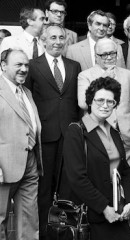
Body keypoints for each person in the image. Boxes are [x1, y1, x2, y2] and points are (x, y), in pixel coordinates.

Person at [24, 23, 81, 239]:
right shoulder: (32, 65)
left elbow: (75, 101)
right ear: (43, 41)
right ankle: (46, 233)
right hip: (44, 136)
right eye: (53, 38)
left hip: (69, 134)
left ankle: (66, 233)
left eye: (61, 37)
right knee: (44, 189)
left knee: (68, 186)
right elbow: (27, 102)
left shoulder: (74, 66)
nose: (57, 41)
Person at [62, 77, 130, 240]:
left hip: (118, 213)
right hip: (91, 215)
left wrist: (129, 202)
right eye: (100, 100)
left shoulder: (115, 132)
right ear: (90, 101)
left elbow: (125, 171)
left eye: (111, 101)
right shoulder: (76, 132)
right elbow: (77, 178)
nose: (105, 105)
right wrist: (104, 208)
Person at [78, 38, 130, 180]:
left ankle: (126, 202)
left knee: (129, 179)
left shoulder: (126, 73)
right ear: (96, 56)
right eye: (104, 54)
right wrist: (104, 78)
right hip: (100, 134)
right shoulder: (85, 75)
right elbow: (83, 103)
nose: (109, 57)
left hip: (127, 134)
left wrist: (129, 120)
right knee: (104, 180)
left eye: (113, 53)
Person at [0, 49, 43, 239]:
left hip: (30, 161)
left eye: (26, 65)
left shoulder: (26, 92)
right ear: (3, 65)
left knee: (28, 219)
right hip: (3, 166)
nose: (24, 69)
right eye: (18, 65)